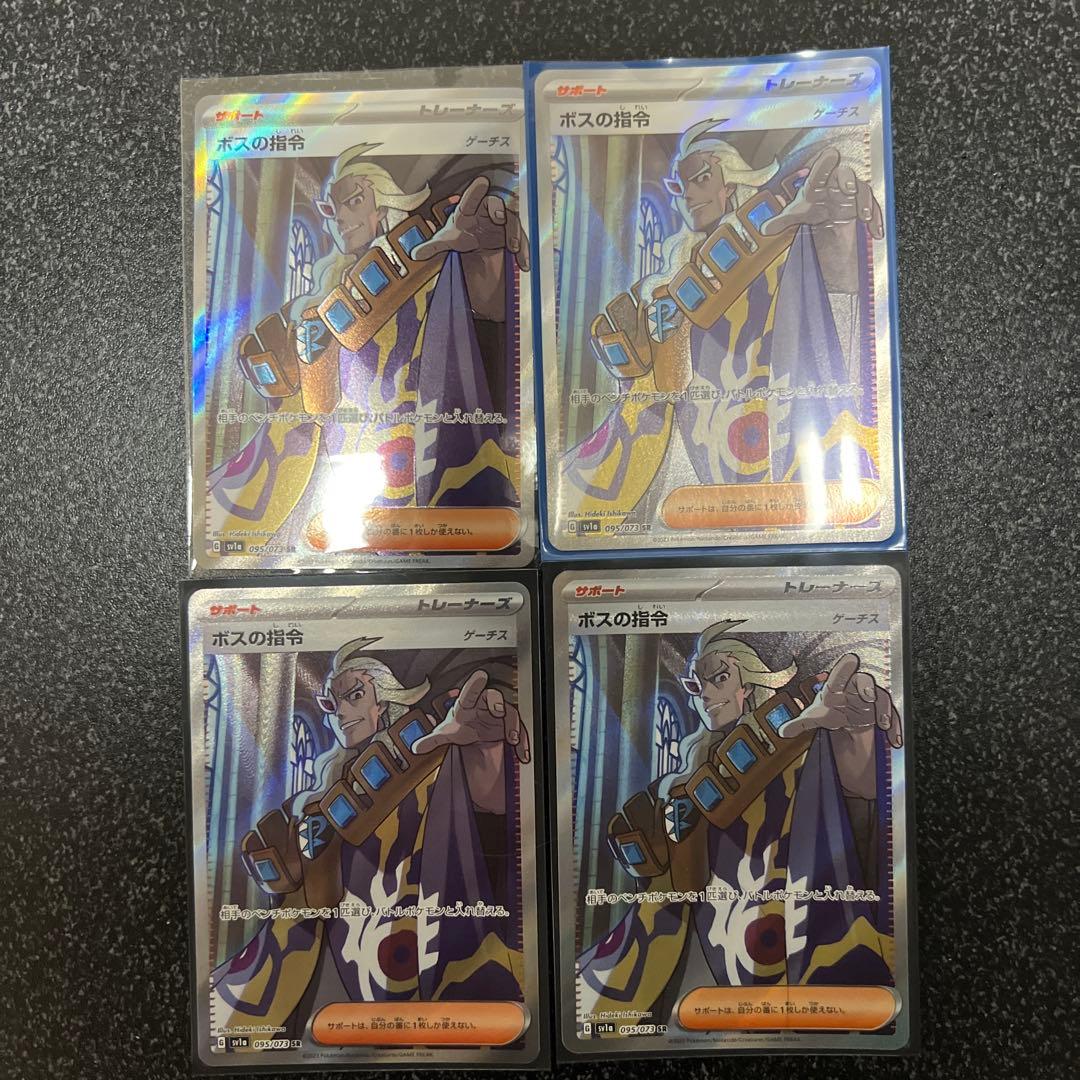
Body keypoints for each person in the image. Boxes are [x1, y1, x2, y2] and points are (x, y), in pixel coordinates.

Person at [207, 144, 530, 554]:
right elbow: (295, 403)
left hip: (428, 469)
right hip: (338, 486)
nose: (340, 216)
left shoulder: (433, 265)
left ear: (388, 200)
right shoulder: (318, 303)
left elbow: (486, 310)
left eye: (354, 200)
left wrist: (487, 257)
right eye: (332, 207)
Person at [579, 621, 901, 1020]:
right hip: (683, 952)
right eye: (696, 685)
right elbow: (648, 864)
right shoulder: (681, 781)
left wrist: (859, 731)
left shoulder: (801, 743)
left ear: (751, 683)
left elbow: (858, 784)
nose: (705, 695)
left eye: (719, 677)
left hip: (778, 944)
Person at [210, 638, 530, 1037]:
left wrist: (487, 747)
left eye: (355, 695)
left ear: (390, 697)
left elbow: (489, 798)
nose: (340, 712)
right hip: (323, 965)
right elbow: (282, 880)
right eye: (332, 703)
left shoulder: (436, 758)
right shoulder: (318, 798)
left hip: (415, 955)